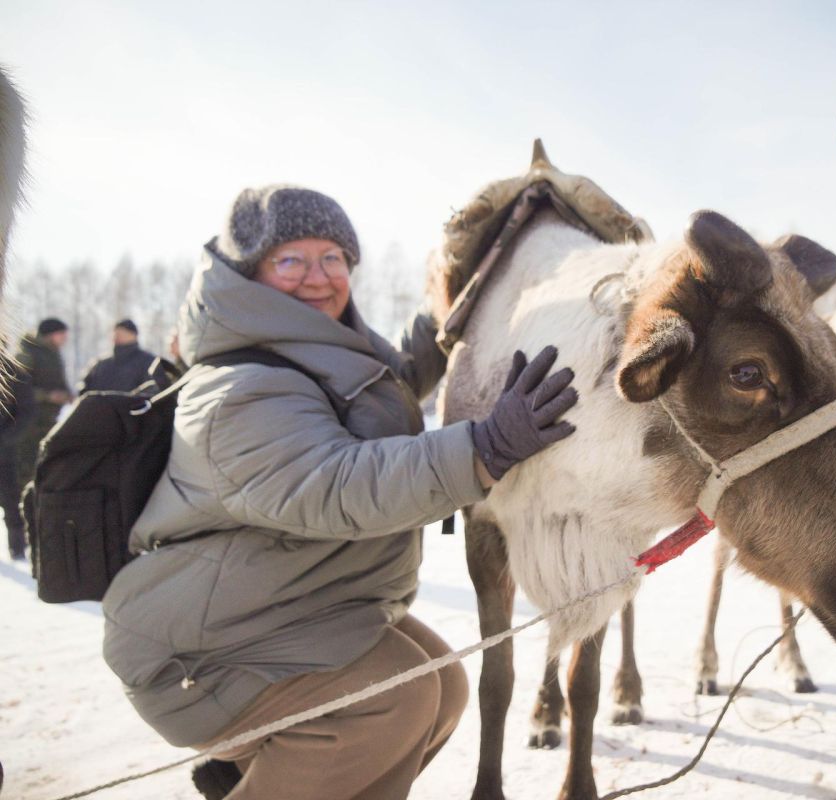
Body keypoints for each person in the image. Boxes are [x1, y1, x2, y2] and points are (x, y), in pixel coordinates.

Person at [101, 185, 578, 800]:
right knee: (394, 700)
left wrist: (466, 288)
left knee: (441, 686)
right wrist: (483, 450)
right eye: (291, 260)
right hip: (204, 647)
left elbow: (396, 377)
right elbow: (333, 486)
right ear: (248, 272)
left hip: (283, 607)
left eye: (332, 258)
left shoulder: (326, 352)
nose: (318, 277)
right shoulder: (238, 387)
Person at [14, 318, 72, 489]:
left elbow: (56, 380)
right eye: (61, 334)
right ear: (50, 334)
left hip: (46, 420)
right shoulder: (27, 354)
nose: (64, 339)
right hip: (28, 422)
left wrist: (66, 394)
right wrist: (48, 396)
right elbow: (17, 389)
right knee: (26, 469)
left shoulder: (53, 354)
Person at [0, 349, 35, 559]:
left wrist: (7, 438)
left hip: (4, 449)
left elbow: (26, 409)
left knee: (10, 498)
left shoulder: (12, 370)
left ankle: (17, 547)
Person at [77, 318, 168, 393]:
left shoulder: (149, 362)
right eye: (115, 332)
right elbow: (84, 389)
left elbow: (154, 390)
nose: (117, 335)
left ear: (134, 335)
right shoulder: (100, 364)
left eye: (123, 332)